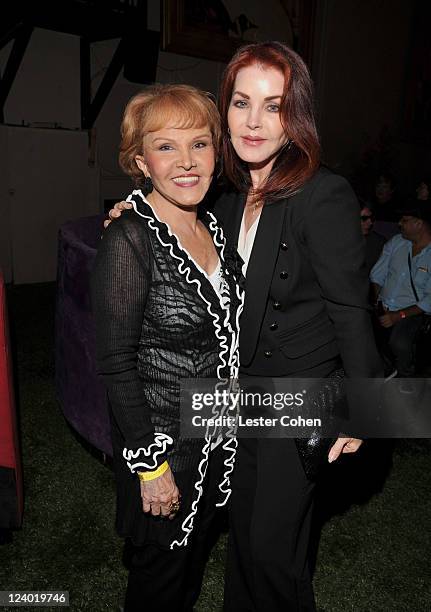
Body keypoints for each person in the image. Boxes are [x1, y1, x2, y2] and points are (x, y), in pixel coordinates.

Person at [107, 42, 382, 612]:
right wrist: (131, 211)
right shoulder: (225, 195)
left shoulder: (323, 192)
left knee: (272, 551)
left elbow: (351, 308)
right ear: (224, 110)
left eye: (274, 106)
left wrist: (364, 402)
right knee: (242, 542)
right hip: (238, 398)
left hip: (299, 395)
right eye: (240, 102)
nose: (254, 122)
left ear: (296, 115)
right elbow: (171, 206)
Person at [91, 84, 244, 612]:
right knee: (158, 584)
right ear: (140, 160)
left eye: (199, 144)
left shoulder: (216, 229)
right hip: (163, 447)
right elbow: (115, 363)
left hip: (216, 436)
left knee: (189, 571)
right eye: (166, 146)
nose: (186, 162)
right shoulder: (129, 238)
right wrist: (149, 466)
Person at [370, 201, 431, 377]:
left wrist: (399, 315)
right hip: (383, 307)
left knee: (400, 343)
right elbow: (377, 275)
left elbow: (429, 300)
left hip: (412, 312)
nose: (399, 224)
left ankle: (406, 377)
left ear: (418, 224)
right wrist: (377, 302)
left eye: (404, 220)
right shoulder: (397, 242)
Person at [359, 199, 386, 273]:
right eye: (364, 218)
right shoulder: (337, 240)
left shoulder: (377, 242)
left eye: (371, 218)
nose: (370, 222)